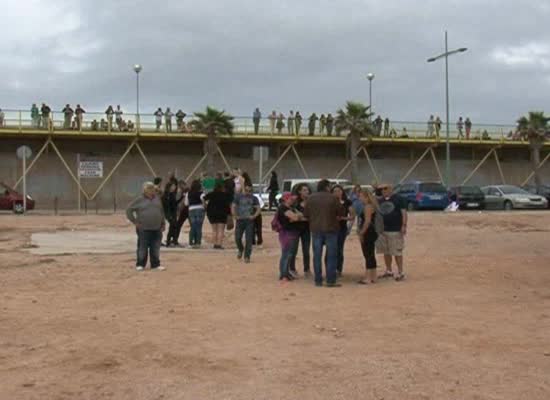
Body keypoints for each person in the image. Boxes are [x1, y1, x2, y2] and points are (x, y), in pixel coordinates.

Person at [304, 179, 342, 287]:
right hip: (331, 229)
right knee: (331, 256)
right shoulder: (333, 198)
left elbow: (306, 214)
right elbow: (341, 212)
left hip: (316, 229)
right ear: (327, 187)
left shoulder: (311, 198)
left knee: (317, 255)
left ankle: (318, 280)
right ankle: (330, 280)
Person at [126, 182, 166, 271]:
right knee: (142, 247)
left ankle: (155, 264)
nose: (152, 190)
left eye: (152, 188)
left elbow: (161, 212)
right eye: (149, 188)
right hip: (143, 228)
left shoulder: (157, 199)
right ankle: (140, 264)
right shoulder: (139, 200)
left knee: (155, 247)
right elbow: (129, 210)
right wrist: (135, 221)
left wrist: (163, 223)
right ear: (145, 190)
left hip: (157, 228)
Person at [377, 184, 408, 281]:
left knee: (396, 251)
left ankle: (400, 271)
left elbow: (403, 213)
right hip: (382, 230)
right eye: (382, 189)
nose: (383, 191)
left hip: (395, 229)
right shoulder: (380, 200)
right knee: (386, 251)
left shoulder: (399, 199)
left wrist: (403, 225)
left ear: (391, 189)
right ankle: (389, 270)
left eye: (386, 188)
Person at [277, 192, 304, 282]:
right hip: (286, 233)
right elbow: (296, 217)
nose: (293, 201)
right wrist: (295, 217)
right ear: (286, 199)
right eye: (291, 199)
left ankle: (286, 272)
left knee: (290, 254)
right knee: (286, 254)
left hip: (292, 232)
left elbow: (299, 215)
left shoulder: (291, 208)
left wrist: (295, 217)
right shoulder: (283, 208)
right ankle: (283, 274)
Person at [231, 183, 261, 263]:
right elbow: (233, 206)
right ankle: (240, 249)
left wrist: (254, 216)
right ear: (243, 189)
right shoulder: (238, 197)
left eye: (250, 190)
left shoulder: (254, 198)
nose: (248, 192)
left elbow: (258, 208)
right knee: (237, 238)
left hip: (249, 221)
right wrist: (234, 215)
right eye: (246, 190)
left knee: (249, 239)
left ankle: (247, 256)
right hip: (240, 220)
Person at [331, 185, 355, 277]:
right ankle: (330, 269)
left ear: (342, 192)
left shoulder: (347, 202)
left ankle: (338, 269)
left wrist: (342, 218)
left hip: (341, 228)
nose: (337, 193)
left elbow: (352, 216)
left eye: (338, 190)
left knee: (339, 249)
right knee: (330, 249)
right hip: (331, 229)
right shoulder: (330, 202)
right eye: (335, 191)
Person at [357, 189, 380, 284]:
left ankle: (368, 277)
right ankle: (373, 276)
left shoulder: (367, 207)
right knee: (371, 253)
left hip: (368, 232)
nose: (359, 198)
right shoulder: (373, 206)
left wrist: (362, 232)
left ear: (366, 197)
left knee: (367, 254)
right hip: (373, 232)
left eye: (360, 196)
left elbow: (367, 221)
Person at [289, 183, 311, 277]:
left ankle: (307, 269)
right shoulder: (295, 203)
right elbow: (292, 216)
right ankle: (292, 268)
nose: (307, 192)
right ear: (299, 191)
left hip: (306, 229)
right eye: (304, 190)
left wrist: (301, 217)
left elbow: (312, 216)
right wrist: (301, 217)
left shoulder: (310, 202)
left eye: (307, 190)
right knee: (293, 249)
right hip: (295, 228)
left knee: (306, 250)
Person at [204, 182, 232, 249]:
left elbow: (203, 198)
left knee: (214, 230)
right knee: (221, 230)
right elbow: (229, 204)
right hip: (222, 213)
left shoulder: (212, 194)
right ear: (222, 188)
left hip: (212, 213)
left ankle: (214, 244)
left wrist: (205, 206)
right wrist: (230, 214)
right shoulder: (225, 195)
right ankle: (219, 244)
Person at [186, 179, 205, 248]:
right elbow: (204, 201)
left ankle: (191, 242)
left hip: (191, 209)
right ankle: (198, 243)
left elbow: (186, 203)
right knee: (199, 226)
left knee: (193, 226)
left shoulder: (188, 193)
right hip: (200, 209)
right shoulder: (201, 193)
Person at [163, 182, 179, 246]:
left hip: (173, 213)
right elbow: (167, 206)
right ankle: (169, 242)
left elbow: (175, 204)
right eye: (173, 186)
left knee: (174, 227)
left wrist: (182, 197)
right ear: (169, 187)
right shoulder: (167, 195)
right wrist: (169, 215)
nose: (174, 187)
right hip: (170, 214)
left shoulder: (172, 194)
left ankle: (173, 241)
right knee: (172, 227)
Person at [173, 180, 189, 246]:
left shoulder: (186, 190)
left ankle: (175, 239)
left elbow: (182, 202)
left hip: (186, 209)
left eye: (181, 185)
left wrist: (179, 211)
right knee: (178, 225)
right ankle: (175, 239)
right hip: (184, 209)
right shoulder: (181, 191)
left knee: (178, 225)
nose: (180, 187)